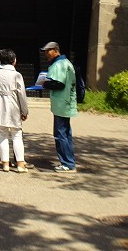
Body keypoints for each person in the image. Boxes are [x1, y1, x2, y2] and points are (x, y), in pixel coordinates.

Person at [0, 49, 30, 172]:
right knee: (17, 135)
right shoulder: (17, 75)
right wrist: (24, 111)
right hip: (14, 106)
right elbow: (22, 94)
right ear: (13, 60)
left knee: (2, 135)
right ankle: (20, 164)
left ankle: (5, 164)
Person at [41, 41, 77, 172]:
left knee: (60, 134)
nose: (46, 54)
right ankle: (69, 161)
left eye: (48, 51)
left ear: (56, 50)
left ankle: (67, 163)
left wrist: (44, 84)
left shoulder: (59, 64)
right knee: (66, 134)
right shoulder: (66, 62)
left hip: (61, 104)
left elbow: (59, 84)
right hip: (66, 103)